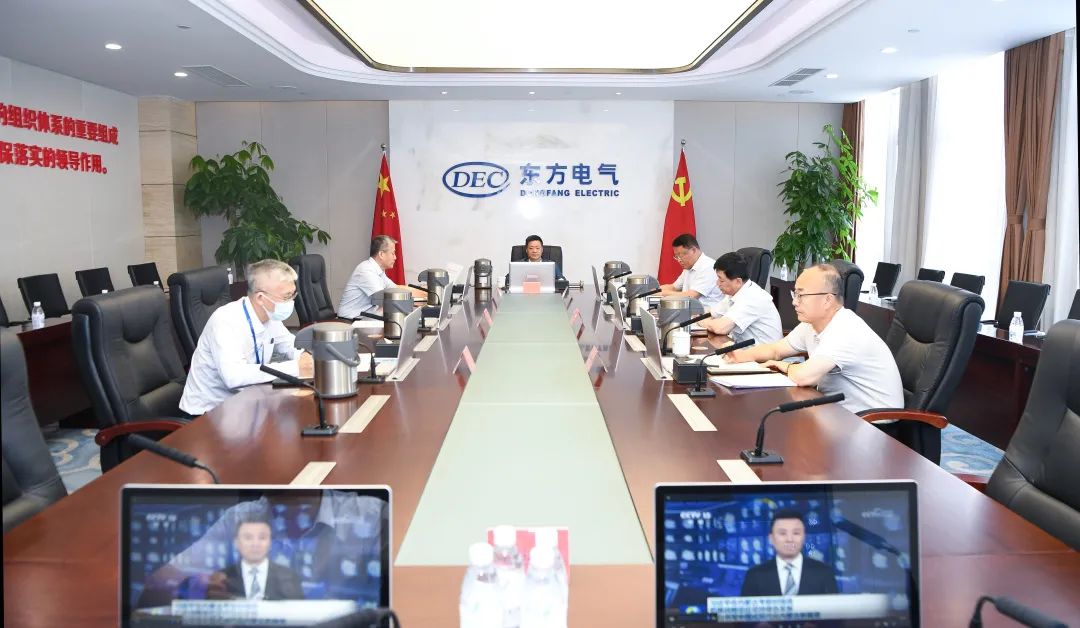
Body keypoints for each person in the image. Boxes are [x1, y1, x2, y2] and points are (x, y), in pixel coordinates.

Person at [722, 263, 903, 415]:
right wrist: (740, 356)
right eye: (795, 294)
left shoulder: (846, 330)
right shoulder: (811, 324)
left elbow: (803, 376)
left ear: (827, 300)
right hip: (837, 412)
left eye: (801, 295)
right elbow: (776, 350)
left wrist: (783, 366)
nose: (794, 302)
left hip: (873, 424)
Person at [179, 259, 313, 416]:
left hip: (246, 405)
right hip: (208, 413)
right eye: (286, 296)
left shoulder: (270, 316)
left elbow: (291, 345)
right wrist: (296, 367)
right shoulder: (225, 320)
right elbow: (234, 377)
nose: (292, 301)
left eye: (293, 294)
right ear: (261, 298)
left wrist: (305, 357)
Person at [740, 509, 839, 597]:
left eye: (796, 533)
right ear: (771, 538)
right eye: (782, 533)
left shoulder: (824, 573)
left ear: (804, 537)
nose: (790, 539)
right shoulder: (755, 575)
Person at [207, 515, 305, 600]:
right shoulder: (221, 578)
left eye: (262, 538)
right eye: (248, 538)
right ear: (236, 542)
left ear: (270, 542)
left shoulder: (290, 577)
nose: (255, 544)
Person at [701, 252, 783, 346]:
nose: (717, 283)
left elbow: (720, 328)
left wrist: (703, 322)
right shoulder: (734, 293)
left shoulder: (753, 297)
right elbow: (711, 313)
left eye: (721, 280)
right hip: (744, 349)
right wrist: (705, 320)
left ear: (738, 281)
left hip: (763, 353)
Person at [338, 235, 423, 319]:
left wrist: (424, 292)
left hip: (366, 317)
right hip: (350, 321)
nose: (395, 257)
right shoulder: (366, 270)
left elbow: (396, 288)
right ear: (381, 254)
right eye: (392, 253)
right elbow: (388, 298)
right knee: (396, 313)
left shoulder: (378, 270)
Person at [659, 233, 723, 309]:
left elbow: (691, 296)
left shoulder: (708, 267)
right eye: (677, 256)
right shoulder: (689, 266)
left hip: (706, 313)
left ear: (693, 250)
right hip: (689, 311)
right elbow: (673, 287)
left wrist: (662, 293)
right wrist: (652, 291)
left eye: (681, 256)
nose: (679, 260)